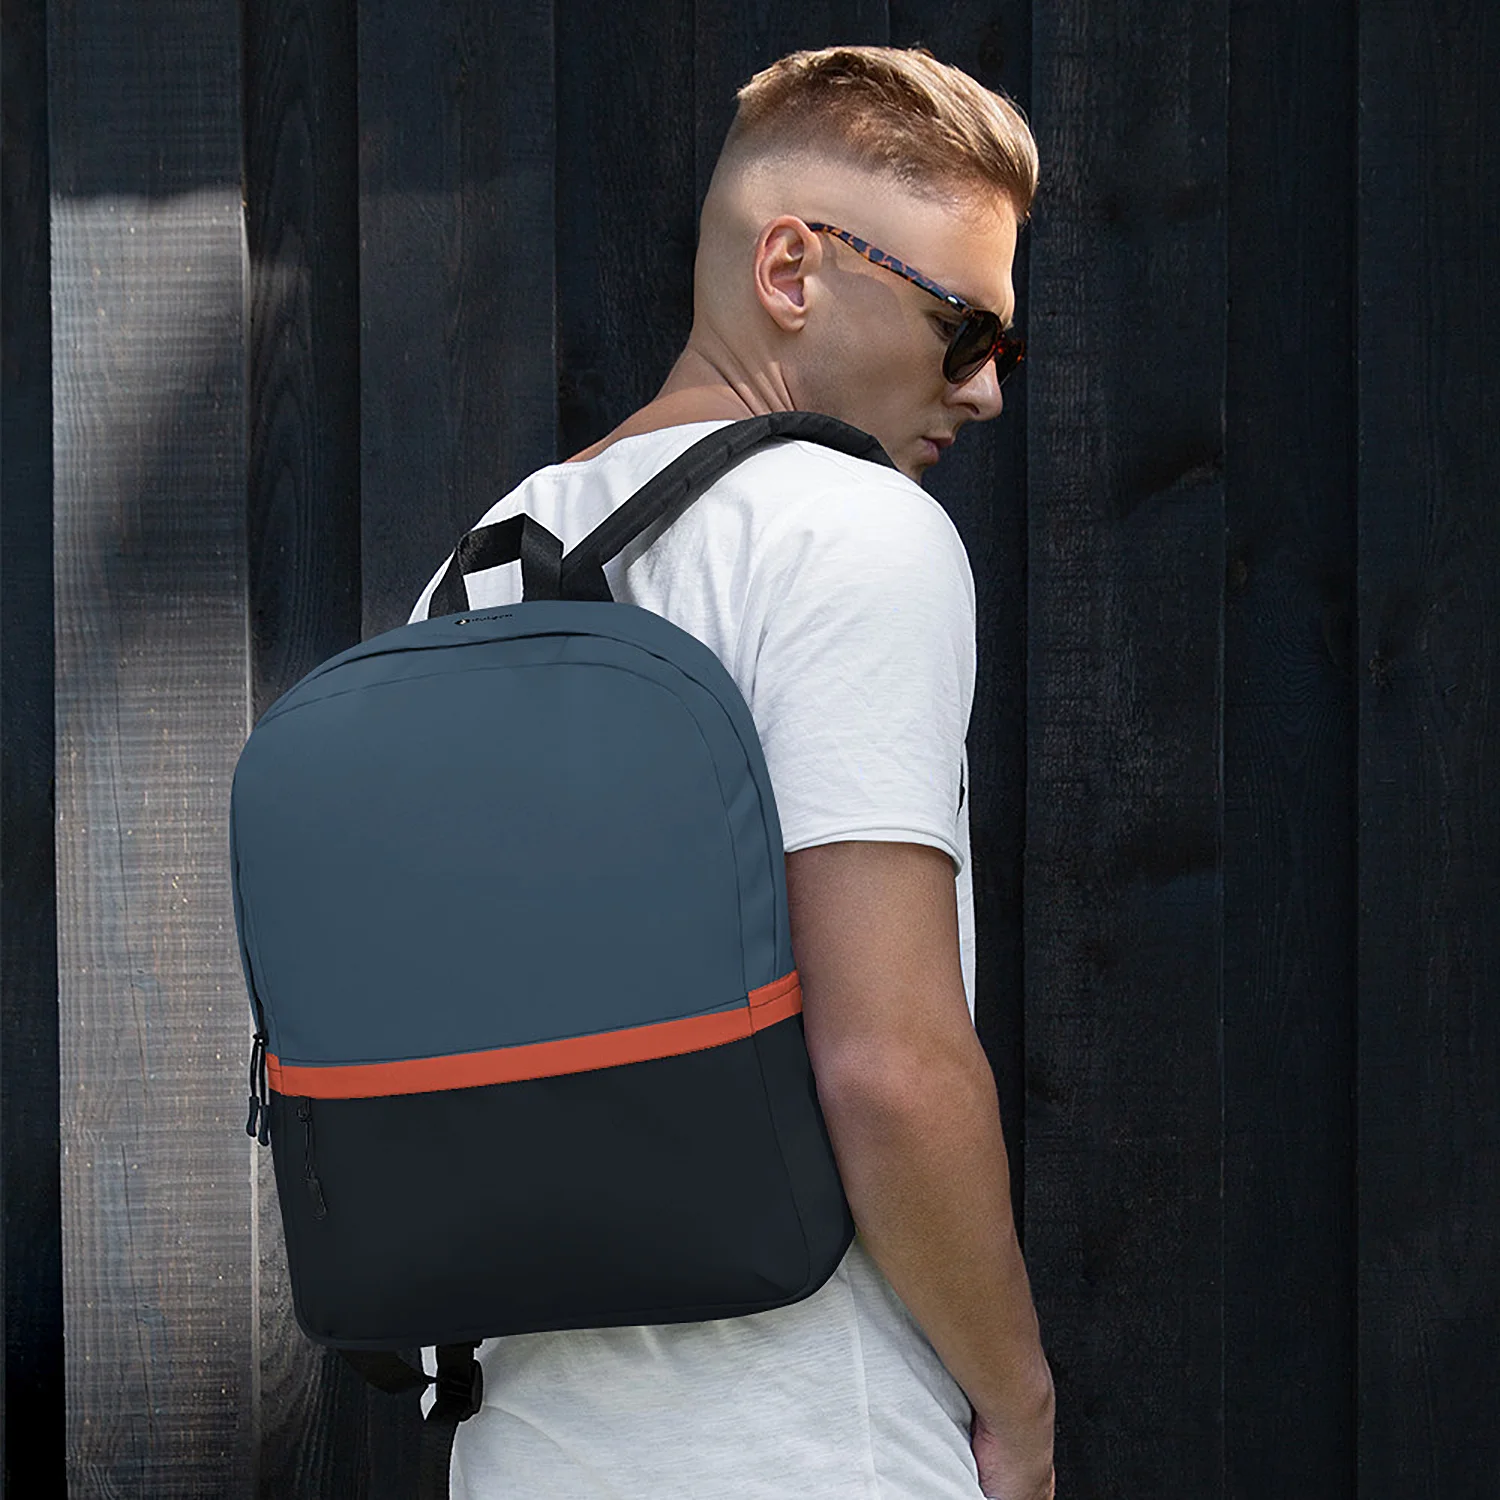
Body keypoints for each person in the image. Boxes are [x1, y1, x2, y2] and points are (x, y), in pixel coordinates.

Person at [409, 42, 1055, 1500]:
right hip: (806, 1442)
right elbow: (886, 1061)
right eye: (968, 333)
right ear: (793, 270)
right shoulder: (850, 527)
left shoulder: (472, 571)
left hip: (516, 1447)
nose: (990, 393)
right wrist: (1021, 1403)